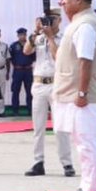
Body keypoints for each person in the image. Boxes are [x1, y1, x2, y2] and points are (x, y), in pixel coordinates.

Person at [52, 0, 96, 191]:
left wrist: (82, 94)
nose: (61, 2)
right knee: (80, 140)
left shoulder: (85, 25)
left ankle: (90, 189)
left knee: (86, 141)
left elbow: (85, 62)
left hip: (81, 96)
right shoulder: (78, 23)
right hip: (74, 93)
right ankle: (86, 185)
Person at [23, 11, 74, 178]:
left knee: (60, 127)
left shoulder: (64, 37)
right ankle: (38, 162)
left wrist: (51, 37)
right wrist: (35, 31)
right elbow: (26, 50)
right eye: (47, 19)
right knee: (38, 127)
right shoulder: (39, 37)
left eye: (52, 19)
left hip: (56, 84)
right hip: (38, 84)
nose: (49, 22)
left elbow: (57, 56)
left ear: (59, 20)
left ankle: (67, 163)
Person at [9, 28, 34, 113]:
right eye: (20, 35)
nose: (22, 36)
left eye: (23, 34)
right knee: (15, 90)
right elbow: (10, 58)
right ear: (18, 35)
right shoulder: (13, 45)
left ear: (26, 35)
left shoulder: (30, 44)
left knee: (29, 90)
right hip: (18, 71)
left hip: (28, 70)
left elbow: (34, 57)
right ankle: (15, 109)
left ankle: (30, 109)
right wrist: (16, 65)